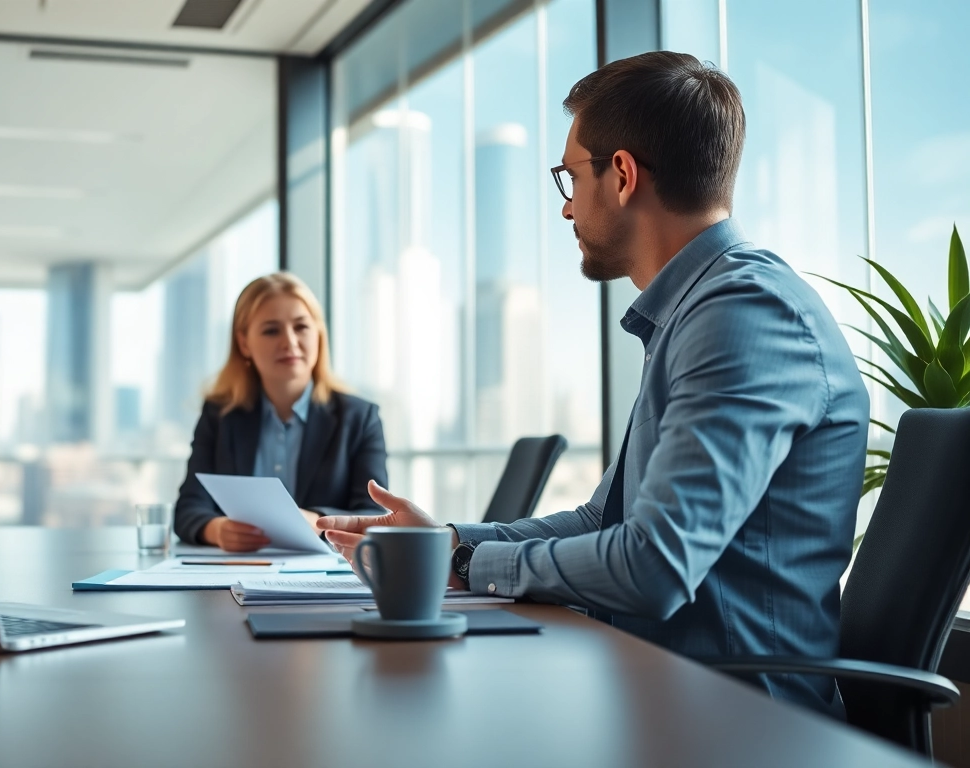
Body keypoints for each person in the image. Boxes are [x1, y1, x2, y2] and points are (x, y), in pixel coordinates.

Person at [318, 51, 868, 717]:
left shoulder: (743, 315)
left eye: (571, 177)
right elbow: (600, 520)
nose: (567, 208)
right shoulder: (697, 313)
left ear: (624, 175)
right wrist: (452, 543)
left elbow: (656, 565)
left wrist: (460, 568)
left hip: (738, 719)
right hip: (662, 689)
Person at [174, 272, 388, 552]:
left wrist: (316, 521)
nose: (289, 342)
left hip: (327, 580)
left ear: (319, 335)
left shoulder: (359, 418)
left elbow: (375, 516)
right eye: (271, 330)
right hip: (236, 575)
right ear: (244, 343)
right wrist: (216, 529)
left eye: (301, 327)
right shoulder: (220, 415)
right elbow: (188, 509)